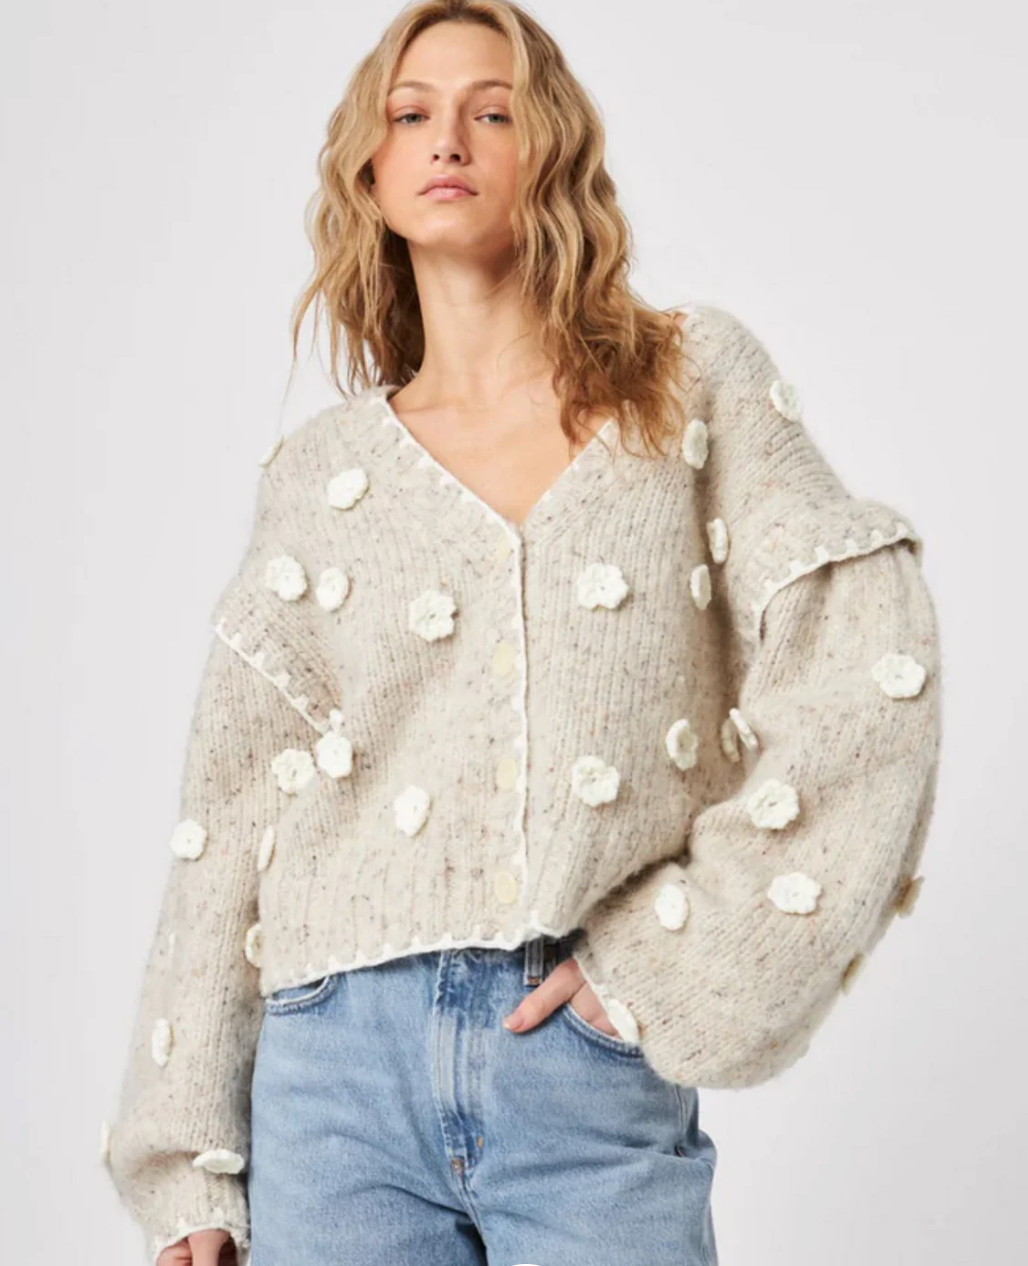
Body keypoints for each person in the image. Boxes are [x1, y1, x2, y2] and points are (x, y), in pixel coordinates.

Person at [100, 3, 943, 1264]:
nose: (448, 138)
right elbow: (230, 815)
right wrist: (186, 1169)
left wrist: (674, 965)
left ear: (546, 149)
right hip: (329, 1086)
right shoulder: (321, 475)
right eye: (410, 114)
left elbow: (861, 661)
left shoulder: (686, 385)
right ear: (370, 171)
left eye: (490, 111)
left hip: (581, 1074)